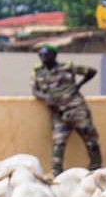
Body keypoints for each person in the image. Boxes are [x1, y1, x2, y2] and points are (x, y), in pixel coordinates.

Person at [31, 44, 101, 172]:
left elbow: (91, 72)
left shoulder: (67, 67)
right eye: (40, 55)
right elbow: (35, 90)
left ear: (53, 55)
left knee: (91, 140)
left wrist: (78, 85)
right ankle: (57, 173)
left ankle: (96, 168)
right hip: (59, 113)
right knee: (58, 143)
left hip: (77, 109)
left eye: (45, 54)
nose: (42, 57)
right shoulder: (38, 72)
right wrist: (46, 97)